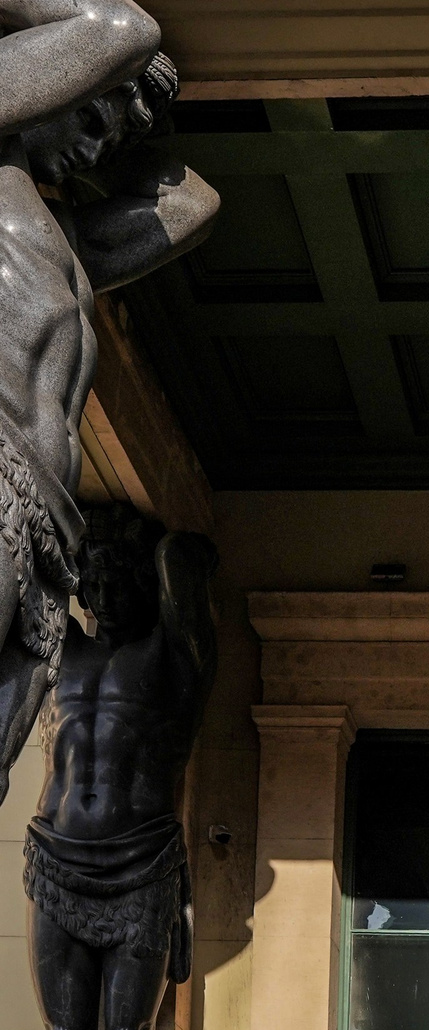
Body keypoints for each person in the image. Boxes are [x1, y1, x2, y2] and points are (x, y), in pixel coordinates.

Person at [0, 3, 214, 803]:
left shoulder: (63, 243)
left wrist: (127, 115)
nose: (97, 146)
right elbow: (122, 27)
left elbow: (192, 204)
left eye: (113, 135)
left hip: (45, 526)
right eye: (90, 115)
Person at [31, 504, 213, 1030]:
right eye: (91, 573)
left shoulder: (173, 660)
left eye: (116, 572)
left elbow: (182, 565)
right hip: (58, 859)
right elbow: (23, 585)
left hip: (142, 863)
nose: (102, 587)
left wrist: (147, 537)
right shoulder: (60, 653)